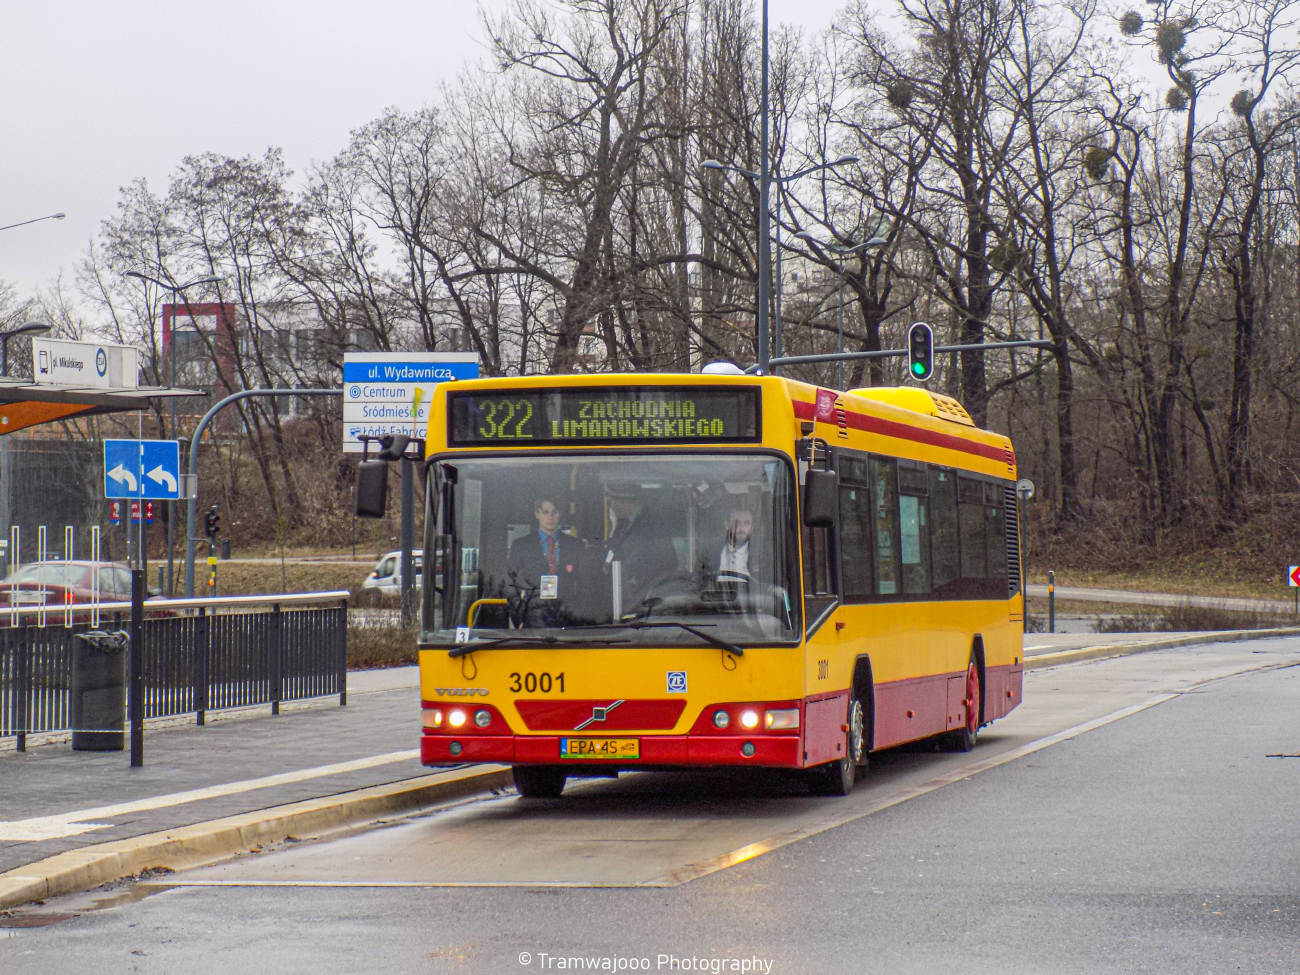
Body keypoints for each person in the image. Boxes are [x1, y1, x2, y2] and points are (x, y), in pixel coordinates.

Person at [507, 497, 586, 625]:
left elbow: (584, 584)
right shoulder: (520, 546)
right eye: (545, 512)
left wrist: (580, 617)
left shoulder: (575, 545)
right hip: (533, 619)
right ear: (536, 514)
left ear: (560, 514)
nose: (551, 517)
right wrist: (520, 620)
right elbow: (511, 586)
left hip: (568, 619)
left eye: (554, 512)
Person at [604, 487, 679, 614]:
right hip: (626, 594)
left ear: (625, 501)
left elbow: (668, 560)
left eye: (613, 501)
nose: (611, 507)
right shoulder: (623, 522)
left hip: (645, 597)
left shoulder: (653, 523)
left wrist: (639, 579)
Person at [717, 507, 755, 582]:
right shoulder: (712, 554)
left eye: (747, 523)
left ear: (752, 527)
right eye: (736, 523)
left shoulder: (761, 558)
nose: (742, 528)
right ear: (726, 525)